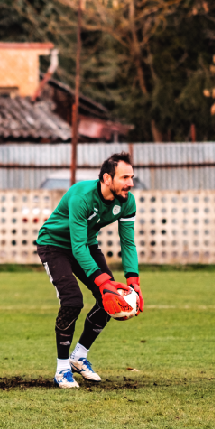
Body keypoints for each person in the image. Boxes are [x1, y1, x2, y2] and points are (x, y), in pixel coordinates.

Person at [35, 152, 144, 389]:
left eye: (132, 177)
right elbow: (77, 246)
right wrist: (103, 280)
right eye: (125, 177)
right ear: (107, 178)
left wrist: (133, 281)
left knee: (110, 299)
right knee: (72, 301)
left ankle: (79, 356)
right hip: (55, 245)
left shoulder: (128, 202)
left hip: (86, 245)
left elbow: (128, 243)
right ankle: (62, 368)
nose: (130, 183)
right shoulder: (82, 196)